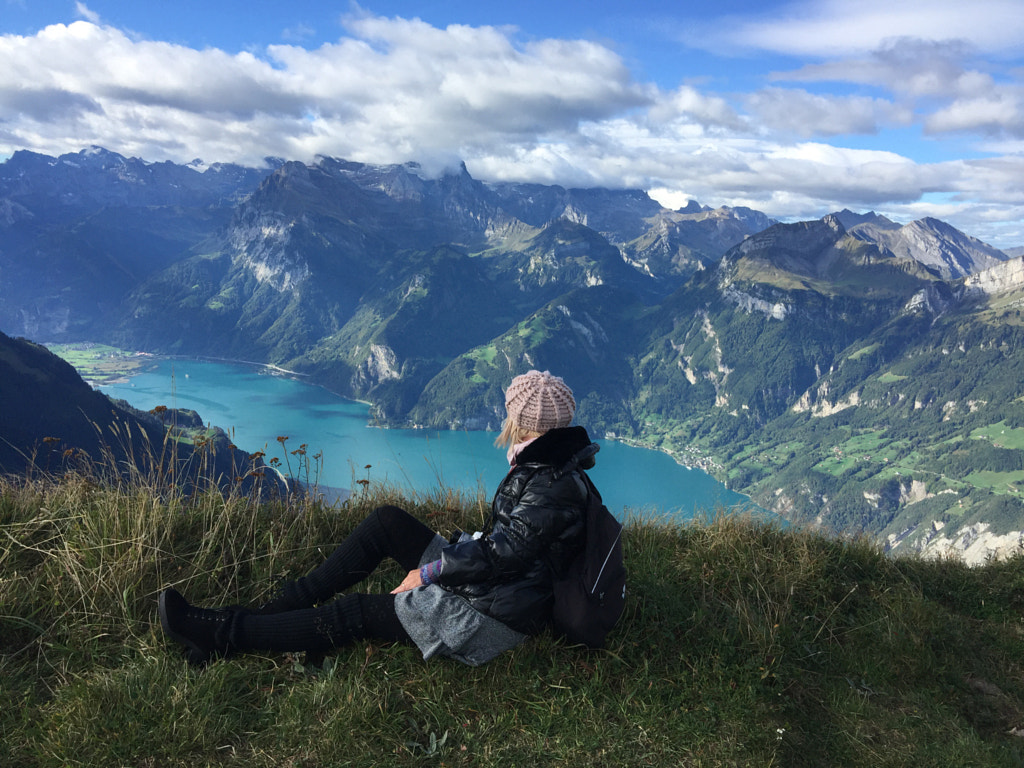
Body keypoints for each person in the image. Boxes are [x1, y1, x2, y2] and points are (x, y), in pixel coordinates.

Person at [158, 370, 600, 667]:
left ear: (522, 421)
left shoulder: (551, 483)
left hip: (496, 616)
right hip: (500, 584)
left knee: (357, 612)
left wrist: (429, 572)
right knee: (387, 520)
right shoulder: (546, 463)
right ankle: (274, 613)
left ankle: (223, 633)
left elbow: (506, 554)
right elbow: (512, 547)